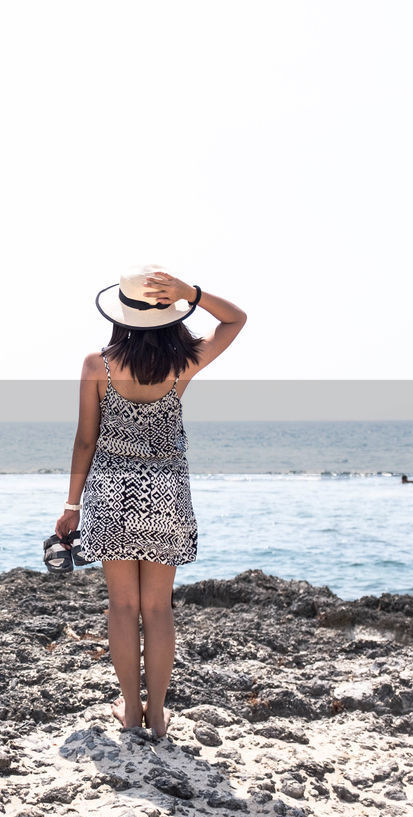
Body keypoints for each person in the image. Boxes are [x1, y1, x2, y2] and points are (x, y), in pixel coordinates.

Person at [55, 266, 247, 739]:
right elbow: (236, 319)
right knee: (158, 609)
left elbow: (85, 441)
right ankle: (158, 716)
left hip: (113, 493)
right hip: (167, 494)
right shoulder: (184, 362)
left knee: (122, 607)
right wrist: (192, 293)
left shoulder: (97, 366)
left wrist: (71, 506)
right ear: (168, 315)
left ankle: (133, 713)